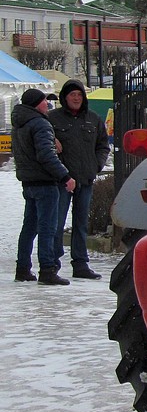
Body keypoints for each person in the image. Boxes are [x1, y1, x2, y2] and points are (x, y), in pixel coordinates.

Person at [12, 88, 76, 285]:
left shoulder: (19, 124)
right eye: (44, 101)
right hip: (45, 183)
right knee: (47, 227)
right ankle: (47, 269)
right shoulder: (40, 124)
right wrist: (65, 176)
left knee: (29, 227)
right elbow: (46, 155)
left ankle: (22, 268)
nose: (47, 104)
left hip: (29, 182)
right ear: (36, 104)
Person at [49, 79, 110, 281]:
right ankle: (53, 263)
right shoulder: (52, 119)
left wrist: (97, 165)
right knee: (56, 223)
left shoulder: (93, 119)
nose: (76, 98)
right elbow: (42, 143)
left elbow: (103, 145)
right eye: (72, 95)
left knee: (81, 223)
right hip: (62, 180)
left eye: (79, 95)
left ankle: (81, 264)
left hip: (85, 179)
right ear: (64, 98)